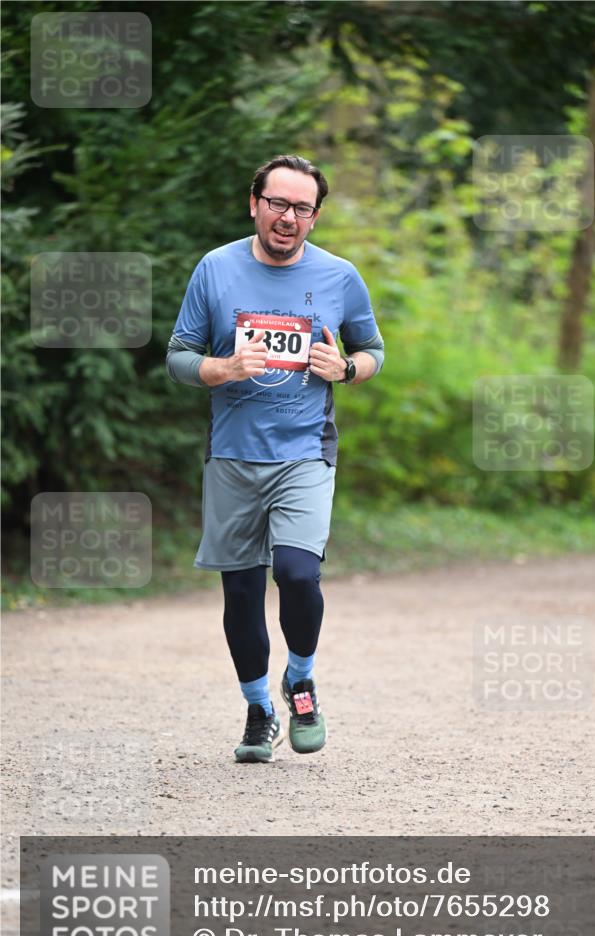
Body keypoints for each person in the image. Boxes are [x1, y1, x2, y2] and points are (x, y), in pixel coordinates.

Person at [166, 154, 384, 763]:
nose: (288, 217)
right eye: (278, 203)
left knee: (296, 572)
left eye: (302, 208)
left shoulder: (340, 276)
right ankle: (259, 709)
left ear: (315, 217)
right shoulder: (215, 269)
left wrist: (346, 368)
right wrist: (220, 368)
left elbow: (373, 350)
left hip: (305, 452)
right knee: (241, 592)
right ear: (254, 204)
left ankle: (302, 679)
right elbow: (178, 356)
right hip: (232, 455)